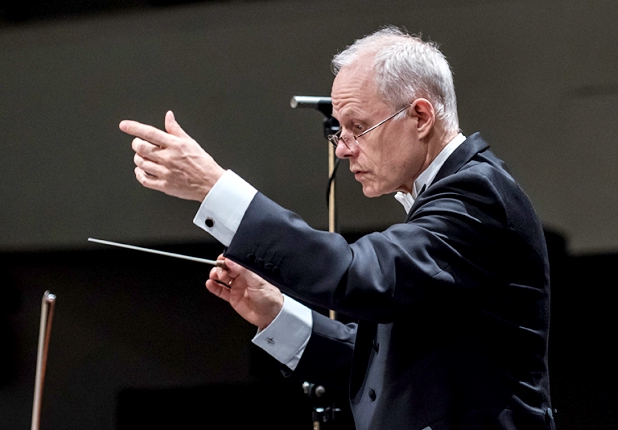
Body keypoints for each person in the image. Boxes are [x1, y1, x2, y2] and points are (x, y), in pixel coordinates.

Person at [119, 27, 555, 430]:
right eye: (340, 131)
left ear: (421, 117)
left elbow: (363, 275)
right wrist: (277, 313)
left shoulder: (476, 194)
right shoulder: (445, 199)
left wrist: (214, 187)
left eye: (358, 127)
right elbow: (388, 369)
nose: (343, 149)